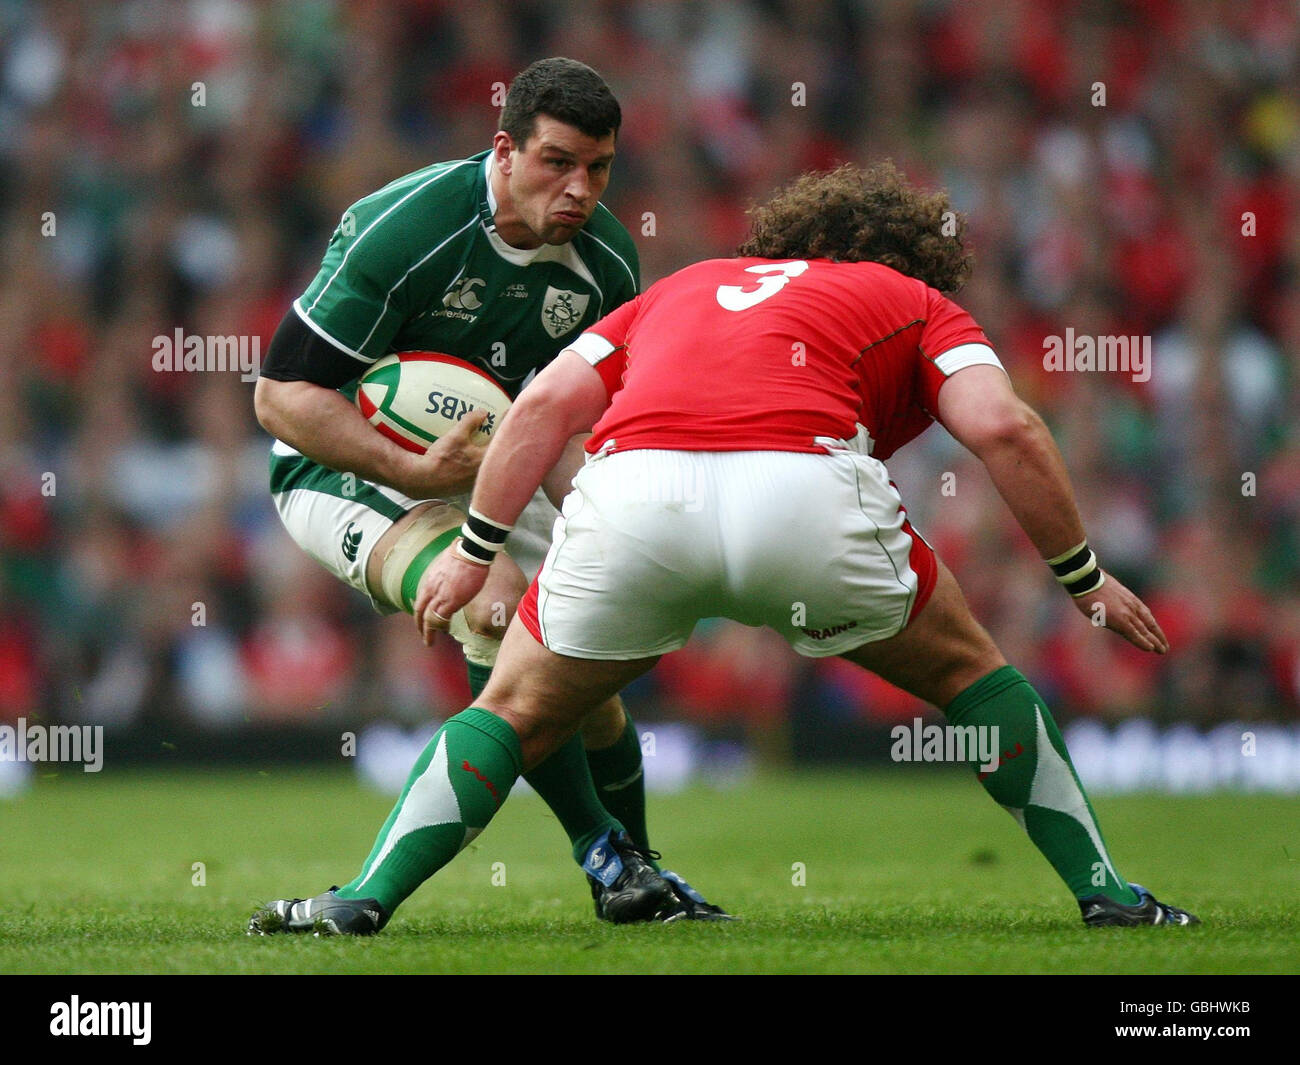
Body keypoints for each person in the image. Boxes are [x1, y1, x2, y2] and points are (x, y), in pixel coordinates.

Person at [388, 161, 1198, 928]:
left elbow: (537, 411)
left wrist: (471, 548)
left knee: (512, 709)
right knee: (973, 679)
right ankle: (1109, 896)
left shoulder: (683, 284)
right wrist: (1083, 580)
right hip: (803, 492)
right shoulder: (913, 298)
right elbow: (1005, 426)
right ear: (914, 260)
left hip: (635, 494)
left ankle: (361, 899)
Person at [248, 58, 726, 936]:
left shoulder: (608, 261)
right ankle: (608, 853)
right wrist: (414, 473)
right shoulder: (408, 226)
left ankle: (636, 875)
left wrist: (617, 523)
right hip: (341, 470)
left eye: (599, 167)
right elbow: (280, 397)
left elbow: (573, 428)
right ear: (503, 149)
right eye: (557, 162)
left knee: (581, 663)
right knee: (498, 610)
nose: (579, 188)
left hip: (493, 472)